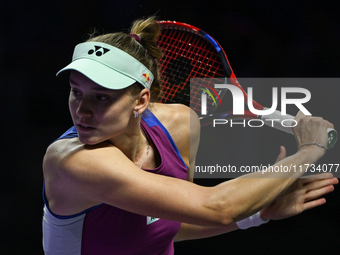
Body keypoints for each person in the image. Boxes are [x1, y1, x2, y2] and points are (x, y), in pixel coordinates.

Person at [42, 17, 338, 254]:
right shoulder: (73, 163)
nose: (82, 111)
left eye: (101, 98)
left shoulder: (180, 125)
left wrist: (257, 213)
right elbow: (217, 208)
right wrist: (309, 151)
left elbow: (172, 223)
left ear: (141, 100)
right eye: (76, 92)